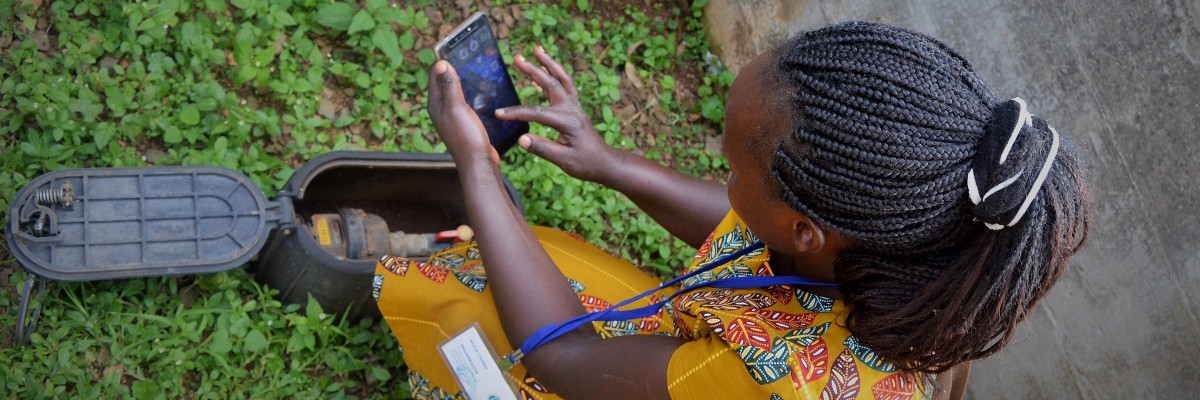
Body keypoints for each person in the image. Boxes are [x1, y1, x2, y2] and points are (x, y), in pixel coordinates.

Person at [373, 21, 1091, 400]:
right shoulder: (918, 267)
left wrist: (475, 165)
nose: (723, 180)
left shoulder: (775, 379)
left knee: (471, 303)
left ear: (804, 228)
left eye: (732, 170)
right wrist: (609, 162)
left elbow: (560, 355)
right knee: (542, 258)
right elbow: (749, 226)